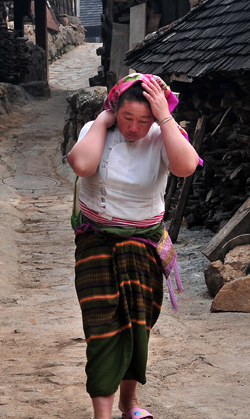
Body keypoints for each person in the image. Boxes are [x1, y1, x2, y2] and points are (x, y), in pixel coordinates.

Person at [67, 73, 200, 419]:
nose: (134, 128)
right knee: (101, 325)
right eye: (127, 118)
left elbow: (186, 167)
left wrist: (165, 117)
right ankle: (103, 414)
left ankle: (130, 402)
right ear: (115, 110)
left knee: (137, 323)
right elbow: (81, 165)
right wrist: (102, 120)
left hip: (142, 245)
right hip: (96, 240)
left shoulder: (162, 136)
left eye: (144, 120)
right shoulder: (96, 131)